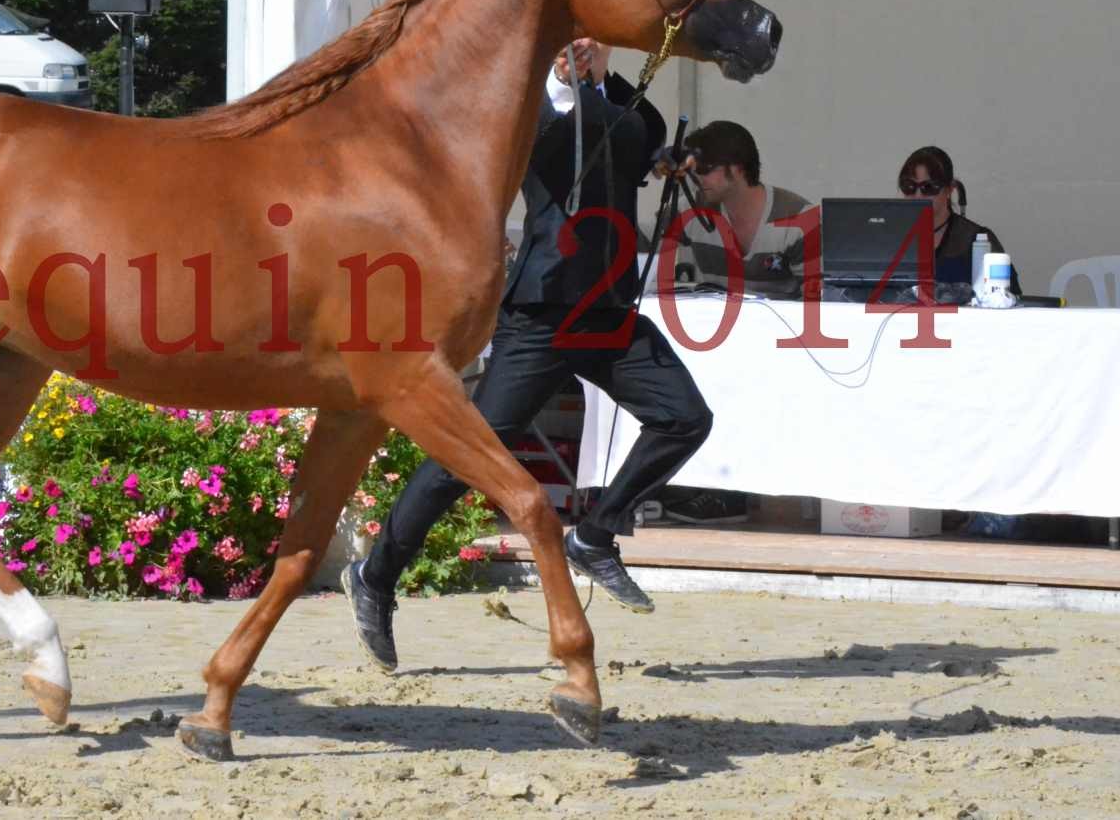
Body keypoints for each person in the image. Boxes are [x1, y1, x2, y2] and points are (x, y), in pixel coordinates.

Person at [341, 38, 714, 672]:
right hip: (542, 314)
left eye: (591, 39)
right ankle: (375, 574)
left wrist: (663, 152)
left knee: (685, 418)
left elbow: (641, 144)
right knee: (467, 455)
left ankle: (596, 536)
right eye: (569, 39)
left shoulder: (633, 110)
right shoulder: (525, 113)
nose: (579, 47)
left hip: (608, 312)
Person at [671, 120, 814, 300]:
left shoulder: (799, 219)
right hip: (714, 322)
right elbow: (638, 241)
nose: (697, 177)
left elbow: (820, 299)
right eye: (693, 170)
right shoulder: (691, 209)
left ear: (738, 168)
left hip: (781, 325)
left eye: (704, 169)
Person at [897, 145, 1020, 295]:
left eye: (928, 187)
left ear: (950, 189)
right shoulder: (890, 237)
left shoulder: (976, 239)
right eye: (909, 186)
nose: (917, 196)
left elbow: (1010, 296)